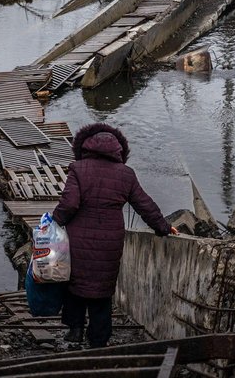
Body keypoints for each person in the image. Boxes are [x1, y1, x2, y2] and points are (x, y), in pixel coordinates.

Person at [52, 122, 176, 348]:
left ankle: (75, 330)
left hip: (79, 239)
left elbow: (69, 203)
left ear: (85, 146)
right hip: (110, 241)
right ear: (119, 150)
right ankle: (99, 339)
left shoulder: (78, 169)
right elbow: (144, 205)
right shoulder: (126, 174)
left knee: (75, 283)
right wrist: (164, 227)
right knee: (102, 287)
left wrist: (54, 222)